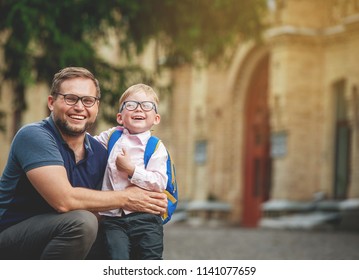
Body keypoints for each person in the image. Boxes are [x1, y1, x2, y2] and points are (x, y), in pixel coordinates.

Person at [0, 67, 167, 260]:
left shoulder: (100, 152)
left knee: (118, 240)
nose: (80, 107)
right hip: (9, 240)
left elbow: (101, 205)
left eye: (88, 100)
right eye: (71, 98)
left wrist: (150, 201)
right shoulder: (34, 136)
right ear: (51, 103)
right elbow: (64, 200)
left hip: (57, 241)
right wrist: (128, 198)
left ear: (96, 107)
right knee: (82, 223)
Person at [94, 84, 168, 259]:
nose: (138, 109)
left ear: (156, 118)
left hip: (146, 218)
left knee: (150, 259)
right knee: (116, 258)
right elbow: (87, 145)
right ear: (120, 117)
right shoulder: (112, 136)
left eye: (147, 105)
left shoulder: (156, 146)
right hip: (113, 219)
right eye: (131, 105)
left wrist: (131, 170)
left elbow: (159, 182)